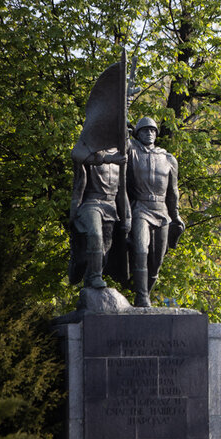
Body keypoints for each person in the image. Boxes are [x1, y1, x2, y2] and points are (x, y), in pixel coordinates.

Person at [126, 117, 184, 307]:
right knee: (141, 250)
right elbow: (120, 137)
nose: (149, 133)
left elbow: (173, 192)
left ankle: (144, 294)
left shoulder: (168, 159)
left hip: (162, 211)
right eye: (144, 130)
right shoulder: (132, 151)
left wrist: (176, 216)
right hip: (140, 208)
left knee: (157, 261)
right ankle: (142, 297)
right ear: (138, 134)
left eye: (152, 130)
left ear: (156, 134)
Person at [69, 145, 130, 288]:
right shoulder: (91, 152)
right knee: (95, 234)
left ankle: (91, 278)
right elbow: (76, 153)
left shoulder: (121, 158)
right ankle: (95, 276)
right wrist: (108, 159)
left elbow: (122, 191)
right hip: (91, 203)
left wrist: (127, 216)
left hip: (111, 206)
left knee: (104, 250)